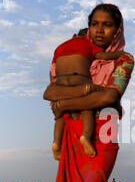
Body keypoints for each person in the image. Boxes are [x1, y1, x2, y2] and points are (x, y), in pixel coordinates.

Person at [44, 4, 134, 182]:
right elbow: (52, 98)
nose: (99, 29)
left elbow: (109, 97)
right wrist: (67, 101)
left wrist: (65, 102)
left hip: (104, 134)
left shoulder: (123, 60)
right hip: (72, 133)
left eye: (107, 25)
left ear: (117, 30)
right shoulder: (72, 55)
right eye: (94, 23)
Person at [50, 27, 126, 160]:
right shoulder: (88, 44)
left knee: (60, 115)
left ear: (74, 36)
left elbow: (53, 70)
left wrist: (54, 89)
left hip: (59, 83)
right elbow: (103, 56)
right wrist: (120, 54)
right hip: (78, 81)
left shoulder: (60, 47)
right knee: (86, 109)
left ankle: (56, 142)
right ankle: (85, 136)